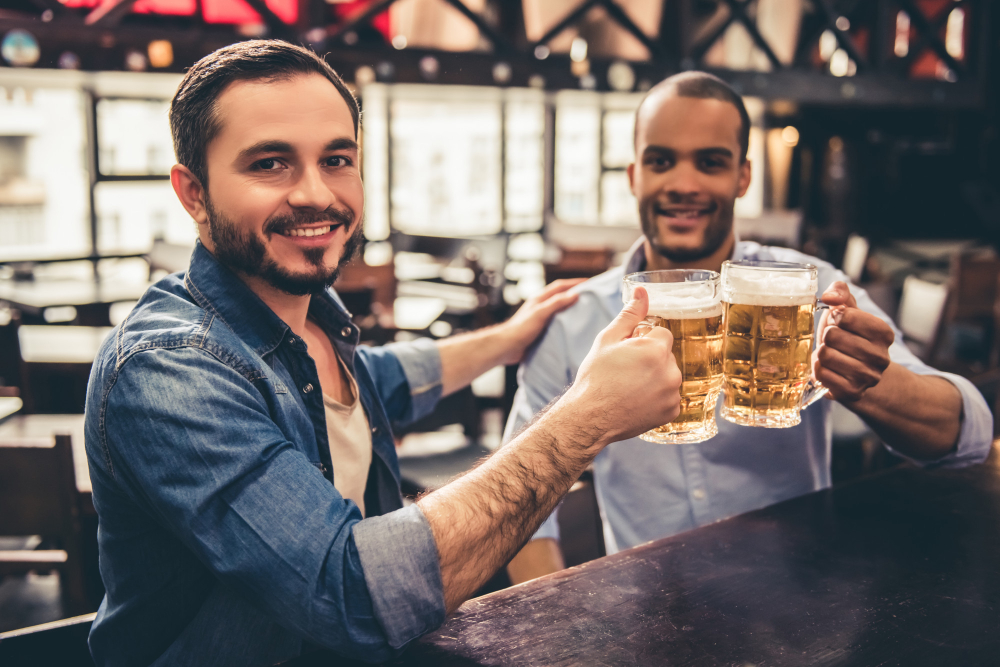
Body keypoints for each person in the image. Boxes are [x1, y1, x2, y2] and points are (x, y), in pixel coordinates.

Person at [83, 41, 684, 667]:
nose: (316, 193)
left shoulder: (312, 323)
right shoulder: (167, 368)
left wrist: (509, 336)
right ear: (194, 193)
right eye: (269, 163)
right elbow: (351, 595)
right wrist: (584, 420)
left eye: (337, 159)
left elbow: (388, 380)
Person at [504, 71, 995, 584]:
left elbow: (971, 436)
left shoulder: (811, 289)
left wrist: (871, 383)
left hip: (794, 612)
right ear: (634, 176)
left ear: (743, 176)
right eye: (661, 160)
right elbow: (518, 498)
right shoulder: (574, 317)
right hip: (645, 619)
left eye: (711, 162)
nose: (684, 184)